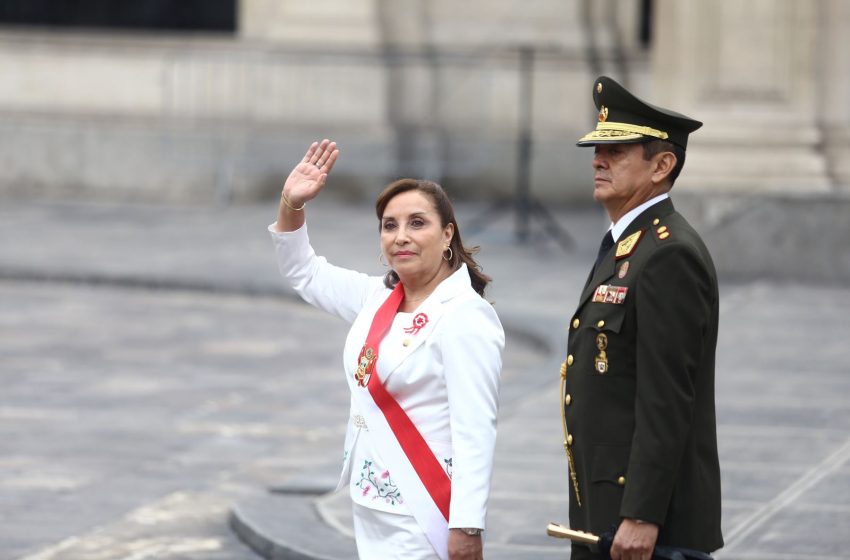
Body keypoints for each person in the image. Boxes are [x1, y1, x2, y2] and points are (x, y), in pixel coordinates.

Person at [269, 139, 504, 560]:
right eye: (389, 225)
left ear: (447, 233)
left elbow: (476, 430)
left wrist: (467, 525)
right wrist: (292, 204)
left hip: (423, 510)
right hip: (371, 503)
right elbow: (303, 272)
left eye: (417, 223)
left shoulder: (466, 316)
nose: (400, 237)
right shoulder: (377, 298)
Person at [559, 76, 723, 560]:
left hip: (645, 521)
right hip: (607, 503)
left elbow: (666, 398)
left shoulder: (668, 255)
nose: (597, 160)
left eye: (618, 151)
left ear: (662, 165)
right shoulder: (628, 245)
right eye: (596, 151)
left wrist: (643, 515)